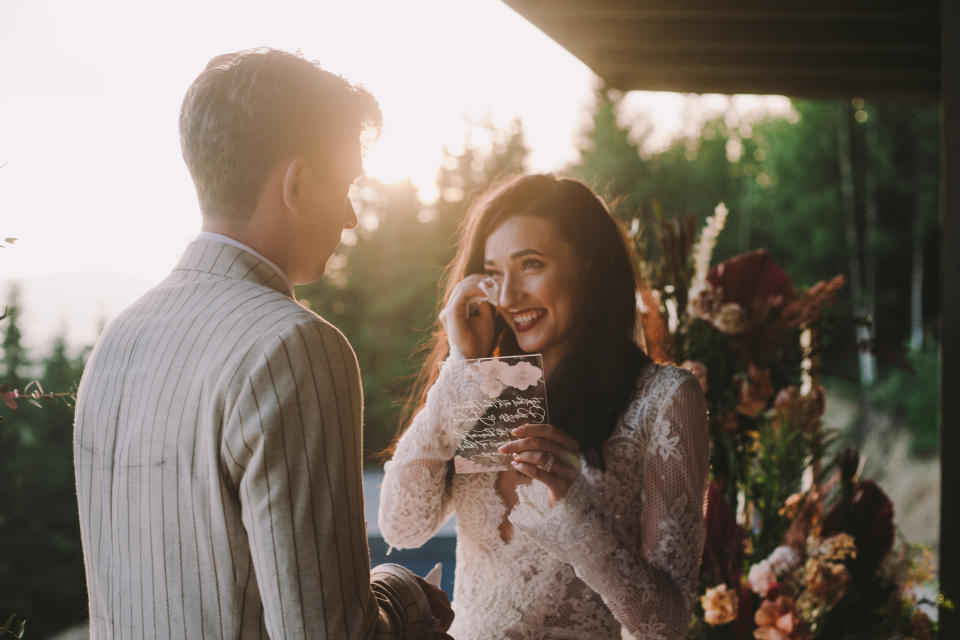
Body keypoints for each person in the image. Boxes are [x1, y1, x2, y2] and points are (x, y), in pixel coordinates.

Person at [73, 48, 452, 639]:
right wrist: (402, 596)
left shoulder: (118, 340)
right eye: (346, 186)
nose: (351, 217)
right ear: (297, 183)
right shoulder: (294, 347)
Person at [378, 174, 710, 639]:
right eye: (494, 273)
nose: (509, 296)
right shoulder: (489, 387)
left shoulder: (663, 399)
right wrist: (461, 364)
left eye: (531, 264)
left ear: (589, 267)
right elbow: (402, 527)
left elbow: (666, 627)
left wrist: (575, 507)